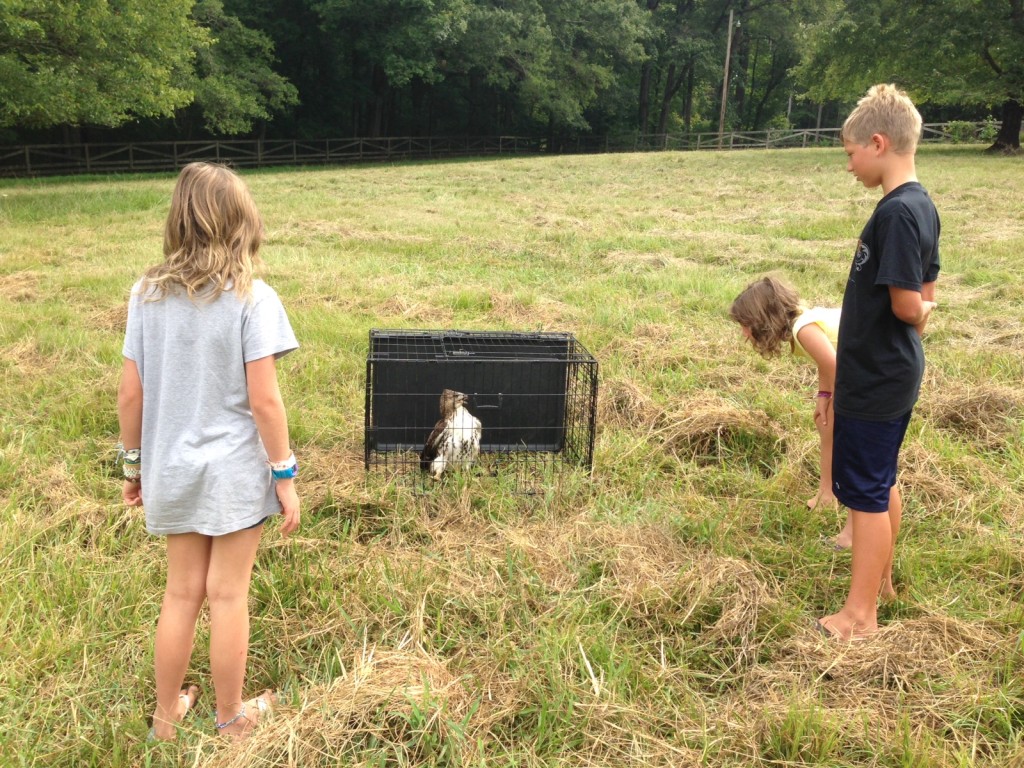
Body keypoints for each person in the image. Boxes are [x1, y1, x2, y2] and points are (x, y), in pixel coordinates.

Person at [118, 162, 301, 740]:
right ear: (242, 224)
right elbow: (265, 401)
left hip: (171, 468)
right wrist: (285, 474)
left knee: (180, 593)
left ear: (179, 221)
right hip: (232, 476)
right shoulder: (254, 296)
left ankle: (165, 716)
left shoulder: (145, 294)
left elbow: (131, 392)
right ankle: (231, 718)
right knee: (227, 595)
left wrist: (133, 465)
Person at [817, 84, 940, 640]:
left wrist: (921, 312)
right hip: (895, 369)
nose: (849, 165)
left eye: (850, 153)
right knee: (881, 479)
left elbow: (908, 300)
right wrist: (923, 310)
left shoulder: (896, 213)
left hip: (877, 374)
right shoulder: (922, 205)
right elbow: (928, 283)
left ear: (879, 142)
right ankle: (881, 584)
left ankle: (859, 616)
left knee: (864, 491)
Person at [730, 276, 853, 549]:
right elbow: (827, 361)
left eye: (745, 325)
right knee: (828, 428)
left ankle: (852, 533)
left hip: (871, 377)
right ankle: (826, 495)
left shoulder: (803, 330)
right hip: (860, 375)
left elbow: (836, 364)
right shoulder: (802, 326)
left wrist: (842, 406)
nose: (744, 334)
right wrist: (824, 397)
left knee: (854, 449)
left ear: (762, 318)